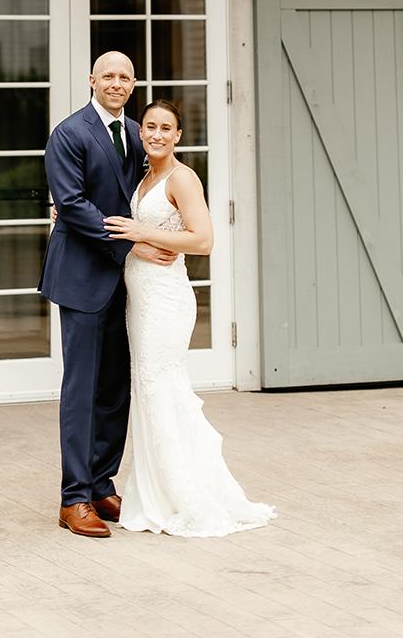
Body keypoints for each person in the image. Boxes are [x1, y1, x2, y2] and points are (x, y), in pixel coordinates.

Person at [104, 98, 276, 538]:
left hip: (166, 300)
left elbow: (203, 240)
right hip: (138, 299)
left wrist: (142, 231)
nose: (157, 134)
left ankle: (189, 496)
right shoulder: (142, 176)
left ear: (178, 135)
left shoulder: (183, 178)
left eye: (166, 128)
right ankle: (155, 492)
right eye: (150, 127)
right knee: (149, 390)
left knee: (163, 387)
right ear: (140, 131)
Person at [39, 52, 175, 538]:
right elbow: (71, 204)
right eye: (108, 76)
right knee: (82, 390)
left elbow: (153, 185)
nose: (116, 83)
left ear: (134, 83)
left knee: (116, 388)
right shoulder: (69, 133)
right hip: (82, 276)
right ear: (92, 80)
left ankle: (101, 483)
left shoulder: (140, 132)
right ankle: (73, 497)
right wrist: (131, 239)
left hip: (129, 278)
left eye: (125, 77)